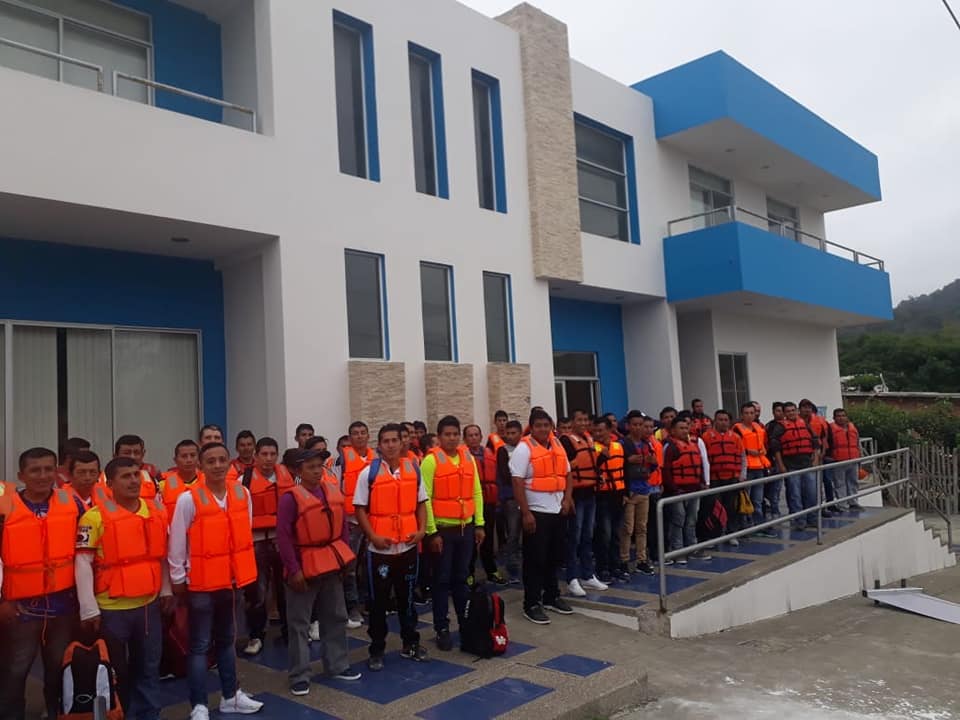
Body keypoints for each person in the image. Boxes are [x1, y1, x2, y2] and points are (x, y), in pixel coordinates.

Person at [168, 442, 263, 718]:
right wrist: (178, 578)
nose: (218, 465)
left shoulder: (242, 493)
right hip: (200, 585)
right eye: (211, 461)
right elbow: (177, 543)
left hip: (230, 583)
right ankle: (198, 705)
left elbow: (244, 532)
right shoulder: (188, 499)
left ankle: (231, 696)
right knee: (199, 646)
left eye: (222, 460)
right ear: (201, 466)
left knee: (227, 641)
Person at [75, 456, 173, 720]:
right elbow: (82, 563)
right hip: (111, 610)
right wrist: (88, 609)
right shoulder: (94, 517)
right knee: (115, 671)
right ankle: (119, 714)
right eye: (125, 476)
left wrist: (166, 590)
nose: (133, 481)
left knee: (149, 667)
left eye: (136, 475)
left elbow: (161, 556)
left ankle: (149, 715)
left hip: (148, 606)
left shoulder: (156, 511)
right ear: (110, 483)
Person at [0, 448, 85, 720]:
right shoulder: (5, 507)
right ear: (21, 475)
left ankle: (55, 712)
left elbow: (86, 554)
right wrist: (2, 601)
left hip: (63, 606)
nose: (43, 475)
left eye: (49, 469)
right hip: (20, 609)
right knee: (15, 670)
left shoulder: (72, 503)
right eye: (35, 470)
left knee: (58, 668)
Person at [277, 449, 360, 695]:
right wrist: (294, 570)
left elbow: (342, 528)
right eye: (310, 467)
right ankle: (299, 675)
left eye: (319, 466)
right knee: (299, 624)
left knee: (335, 616)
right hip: (304, 567)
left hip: (331, 564)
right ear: (299, 471)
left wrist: (344, 559)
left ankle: (337, 664)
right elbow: (283, 537)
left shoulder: (332, 492)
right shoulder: (290, 499)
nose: (316, 471)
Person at [353, 424, 429, 671]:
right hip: (380, 552)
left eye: (394, 440)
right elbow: (359, 509)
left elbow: (421, 503)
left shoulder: (413, 469)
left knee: (407, 598)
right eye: (385, 441)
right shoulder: (368, 474)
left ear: (401, 442)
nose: (391, 445)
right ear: (379, 445)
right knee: (378, 602)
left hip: (407, 548)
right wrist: (373, 536)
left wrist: (421, 531)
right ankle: (377, 649)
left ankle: (411, 643)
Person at [421, 416, 484, 650]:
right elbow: (424, 498)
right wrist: (432, 532)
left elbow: (476, 492)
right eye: (447, 434)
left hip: (465, 529)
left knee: (462, 579)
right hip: (442, 531)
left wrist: (479, 524)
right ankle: (442, 627)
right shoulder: (430, 461)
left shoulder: (468, 458)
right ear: (439, 437)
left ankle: (465, 623)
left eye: (455, 434)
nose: (452, 438)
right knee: (441, 580)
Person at [510, 409, 574, 624]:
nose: (543, 429)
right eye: (538, 425)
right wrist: (526, 512)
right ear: (531, 427)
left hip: (557, 510)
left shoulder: (557, 444)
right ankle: (531, 603)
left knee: (554, 557)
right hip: (536, 512)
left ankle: (551, 596)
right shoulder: (523, 448)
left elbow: (568, 474)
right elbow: (517, 481)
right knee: (535, 560)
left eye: (546, 425)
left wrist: (567, 499)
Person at [242, 437, 296, 655]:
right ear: (256, 456)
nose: (268, 458)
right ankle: (256, 635)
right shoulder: (244, 480)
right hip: (256, 542)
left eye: (272, 454)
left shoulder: (287, 476)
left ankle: (289, 632)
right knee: (257, 592)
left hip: (282, 540)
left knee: (286, 590)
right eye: (264, 454)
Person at [558, 410, 606, 596]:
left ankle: (587, 575)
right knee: (574, 537)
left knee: (588, 535)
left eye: (586, 420)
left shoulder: (589, 440)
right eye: (580, 420)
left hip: (590, 493)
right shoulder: (566, 441)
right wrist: (567, 496)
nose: (583, 423)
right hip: (576, 495)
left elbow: (591, 464)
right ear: (573, 422)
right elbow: (565, 469)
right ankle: (572, 578)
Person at [339, 421, 377, 629]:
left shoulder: (377, 459)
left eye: (363, 432)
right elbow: (335, 486)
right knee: (350, 567)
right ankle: (351, 607)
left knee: (370, 564)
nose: (360, 436)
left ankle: (370, 603)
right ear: (349, 437)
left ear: (368, 436)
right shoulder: (342, 459)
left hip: (373, 520)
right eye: (355, 433)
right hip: (351, 522)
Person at [661, 418, 711, 564]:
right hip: (677, 491)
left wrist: (702, 482)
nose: (684, 431)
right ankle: (677, 550)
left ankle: (692, 548)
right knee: (678, 520)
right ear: (673, 430)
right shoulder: (670, 447)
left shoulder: (693, 445)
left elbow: (699, 465)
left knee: (691, 520)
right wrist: (673, 488)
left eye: (686, 428)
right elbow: (666, 470)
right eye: (681, 428)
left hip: (694, 489)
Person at [768, 402, 820, 530]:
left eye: (793, 410)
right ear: (785, 413)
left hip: (807, 464)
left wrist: (815, 460)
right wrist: (781, 466)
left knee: (811, 493)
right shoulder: (780, 427)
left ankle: (812, 519)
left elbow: (815, 442)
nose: (791, 413)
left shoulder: (805, 424)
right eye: (788, 411)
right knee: (795, 495)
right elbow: (776, 448)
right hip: (791, 466)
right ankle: (799, 521)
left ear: (797, 411)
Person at [620, 411, 659, 576]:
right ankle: (624, 560)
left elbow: (654, 465)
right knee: (627, 528)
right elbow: (616, 466)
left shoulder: (647, 444)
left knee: (642, 528)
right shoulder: (622, 444)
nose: (638, 428)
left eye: (640, 425)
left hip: (644, 489)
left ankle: (641, 560)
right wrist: (627, 461)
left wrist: (653, 462)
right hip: (630, 491)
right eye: (634, 424)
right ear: (628, 426)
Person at [465, 424, 503, 585]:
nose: (474, 438)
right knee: (470, 542)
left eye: (476, 435)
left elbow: (498, 477)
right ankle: (468, 573)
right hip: (471, 504)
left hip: (489, 502)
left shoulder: (490, 454)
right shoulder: (463, 457)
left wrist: (498, 497)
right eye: (470, 435)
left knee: (488, 539)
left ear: (481, 437)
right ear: (465, 439)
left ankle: (491, 570)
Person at [701, 410, 746, 544]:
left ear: (729, 422)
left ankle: (731, 533)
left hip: (732, 478)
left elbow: (742, 457)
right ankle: (715, 535)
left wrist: (742, 476)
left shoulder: (736, 437)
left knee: (731, 508)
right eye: (720, 419)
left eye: (726, 420)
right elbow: (703, 459)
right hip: (714, 479)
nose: (723, 422)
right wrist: (705, 480)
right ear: (715, 421)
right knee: (714, 508)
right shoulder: (706, 437)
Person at [593, 416, 629, 582]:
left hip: (618, 495)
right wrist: (601, 458)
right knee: (604, 535)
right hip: (602, 497)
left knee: (616, 534)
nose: (598, 434)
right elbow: (591, 470)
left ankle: (616, 567)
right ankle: (603, 568)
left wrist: (626, 493)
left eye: (601, 430)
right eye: (595, 431)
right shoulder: (593, 449)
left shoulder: (618, 447)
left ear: (609, 430)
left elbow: (625, 470)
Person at [733, 403, 777, 537]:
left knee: (758, 500)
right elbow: (735, 448)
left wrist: (761, 453)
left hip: (759, 467)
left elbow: (763, 445)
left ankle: (758, 525)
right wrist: (748, 452)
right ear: (741, 415)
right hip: (746, 469)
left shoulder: (759, 428)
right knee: (745, 500)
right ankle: (745, 526)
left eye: (751, 413)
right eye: (746, 413)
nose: (749, 416)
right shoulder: (737, 429)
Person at [494, 420, 523, 584]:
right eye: (508, 433)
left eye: (514, 433)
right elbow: (505, 474)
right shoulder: (502, 451)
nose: (510, 436)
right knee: (512, 535)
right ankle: (513, 570)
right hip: (511, 498)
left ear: (520, 433)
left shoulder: (527, 448)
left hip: (528, 496)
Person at [800, 400, 834, 517]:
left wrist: (823, 452)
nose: (807, 410)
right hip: (802, 457)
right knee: (803, 486)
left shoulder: (819, 421)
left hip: (817, 456)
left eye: (808, 408)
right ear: (800, 409)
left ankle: (819, 508)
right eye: (804, 407)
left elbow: (823, 438)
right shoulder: (795, 422)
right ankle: (805, 510)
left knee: (818, 485)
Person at [827, 408, 863, 511]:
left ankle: (853, 503)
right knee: (839, 483)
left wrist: (860, 457)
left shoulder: (853, 428)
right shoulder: (830, 429)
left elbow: (857, 443)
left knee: (853, 482)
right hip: (838, 461)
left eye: (843, 415)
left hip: (853, 460)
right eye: (838, 416)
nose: (841, 418)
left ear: (847, 417)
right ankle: (842, 505)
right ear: (834, 418)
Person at [159, 440, 204, 520]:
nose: (189, 460)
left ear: (199, 459)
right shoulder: (163, 484)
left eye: (193, 455)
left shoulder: (208, 482)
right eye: (184, 456)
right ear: (175, 460)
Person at [108, 434, 160, 500]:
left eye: (136, 453)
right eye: (127, 453)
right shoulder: (101, 480)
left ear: (143, 454)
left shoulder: (153, 476)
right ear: (115, 456)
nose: (132, 457)